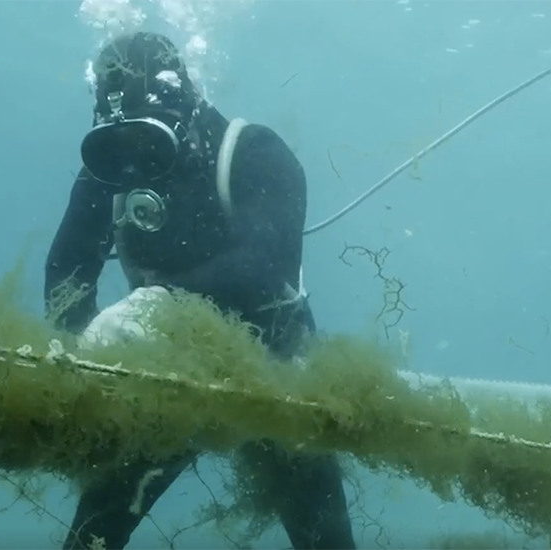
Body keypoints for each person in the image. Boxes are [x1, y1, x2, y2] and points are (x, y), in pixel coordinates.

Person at [44, 31, 356, 550]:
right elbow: (68, 264)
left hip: (275, 371)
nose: (134, 160)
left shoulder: (254, 151)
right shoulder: (110, 165)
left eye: (146, 138)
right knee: (91, 537)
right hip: (161, 375)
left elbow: (263, 267)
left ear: (182, 98)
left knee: (325, 540)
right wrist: (81, 350)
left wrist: (156, 307)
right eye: (121, 137)